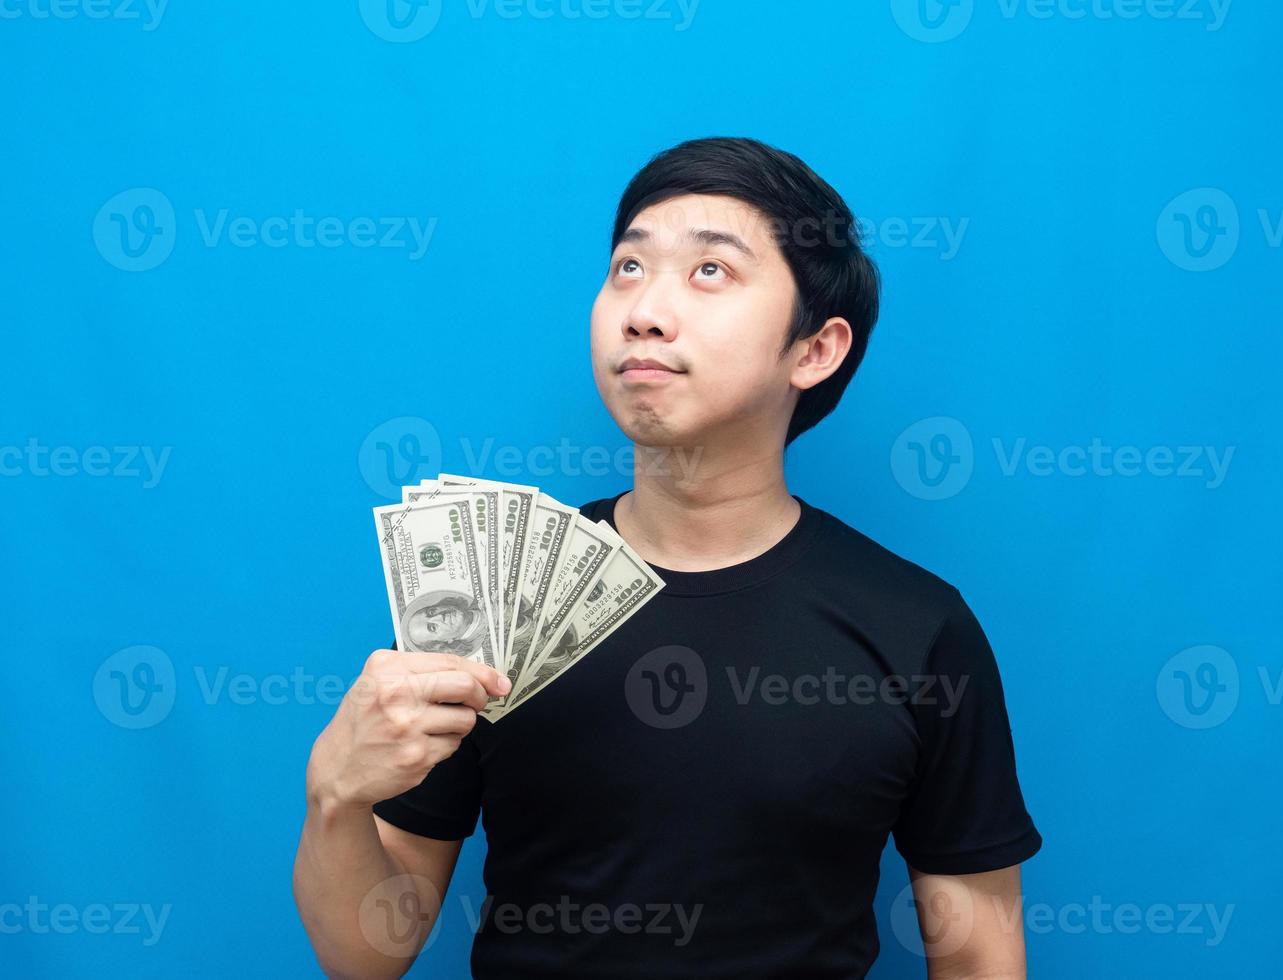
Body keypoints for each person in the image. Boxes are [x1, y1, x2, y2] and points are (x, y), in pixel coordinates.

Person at [293, 136, 1042, 978]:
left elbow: (979, 958)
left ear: (815, 349)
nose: (643, 309)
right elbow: (366, 955)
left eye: (710, 271)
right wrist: (334, 795)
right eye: (627, 268)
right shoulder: (491, 597)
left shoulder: (918, 631)